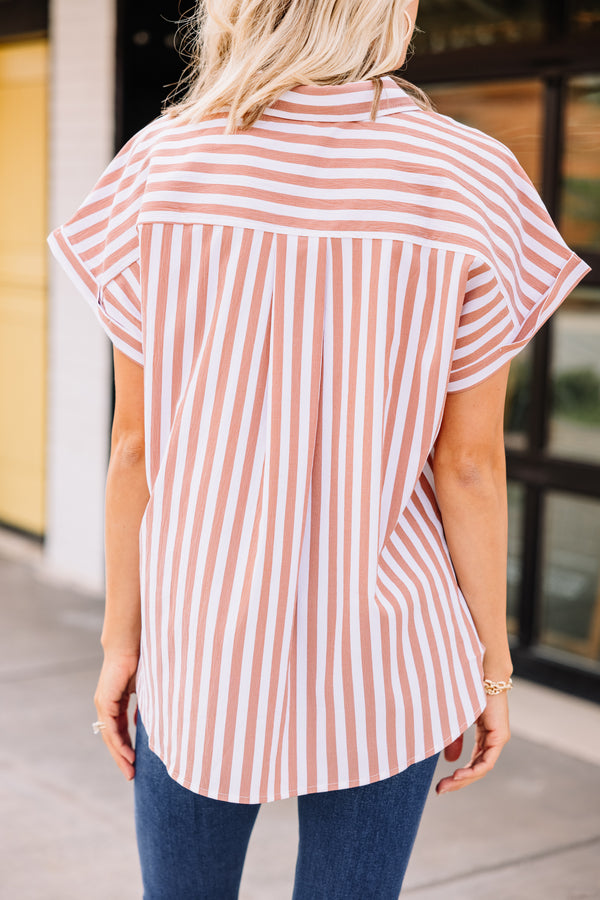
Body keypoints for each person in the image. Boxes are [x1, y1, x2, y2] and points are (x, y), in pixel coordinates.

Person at [47, 0, 590, 897]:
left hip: (200, 642)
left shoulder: (162, 163)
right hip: (389, 651)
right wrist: (491, 669)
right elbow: (466, 467)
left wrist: (121, 643)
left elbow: (138, 448)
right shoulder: (470, 176)